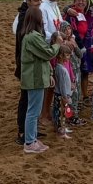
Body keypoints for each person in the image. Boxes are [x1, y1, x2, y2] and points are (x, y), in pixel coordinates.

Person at [20, 8, 60, 153]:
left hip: (38, 76)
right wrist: (57, 44)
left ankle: (32, 139)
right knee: (33, 111)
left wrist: (49, 73)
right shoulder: (33, 37)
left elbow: (42, 57)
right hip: (34, 78)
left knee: (34, 110)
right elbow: (48, 53)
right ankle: (29, 142)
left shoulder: (33, 36)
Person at [14, 0, 43, 145]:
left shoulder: (32, 13)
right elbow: (22, 44)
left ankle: (30, 129)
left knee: (30, 100)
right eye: (36, 0)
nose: (39, 2)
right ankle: (22, 131)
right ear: (27, 0)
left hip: (31, 64)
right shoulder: (25, 17)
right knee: (26, 99)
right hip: (26, 65)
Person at [53, 42, 73, 139]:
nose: (69, 57)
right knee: (61, 114)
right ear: (61, 56)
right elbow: (62, 84)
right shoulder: (60, 69)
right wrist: (65, 96)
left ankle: (62, 128)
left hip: (62, 94)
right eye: (67, 55)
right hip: (61, 95)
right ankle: (61, 131)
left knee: (63, 113)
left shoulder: (60, 67)